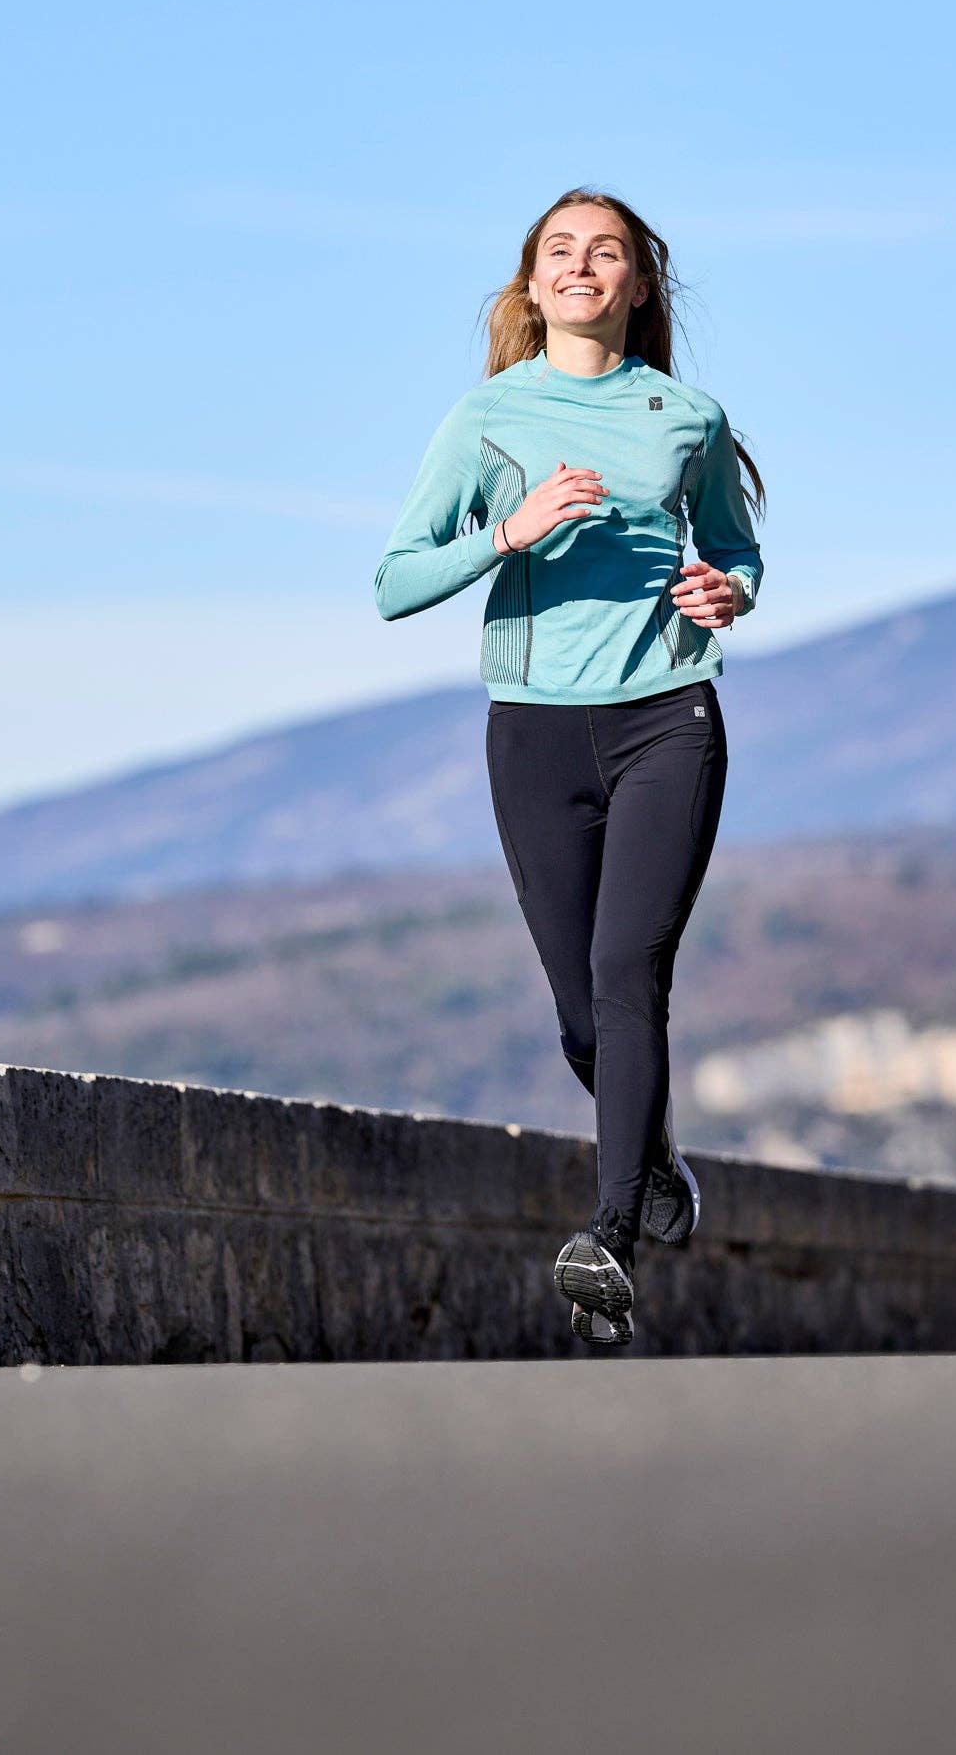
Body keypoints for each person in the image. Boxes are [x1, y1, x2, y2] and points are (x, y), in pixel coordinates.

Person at [373, 188, 765, 1348]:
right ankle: (655, 1164)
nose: (583, 267)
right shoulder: (484, 418)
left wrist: (727, 590)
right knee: (583, 1023)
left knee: (627, 971)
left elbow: (734, 550)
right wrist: (509, 531)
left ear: (638, 285)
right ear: (532, 286)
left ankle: (609, 1236)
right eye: (561, 253)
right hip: (535, 734)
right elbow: (393, 580)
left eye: (608, 253)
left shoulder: (682, 415)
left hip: (666, 719)